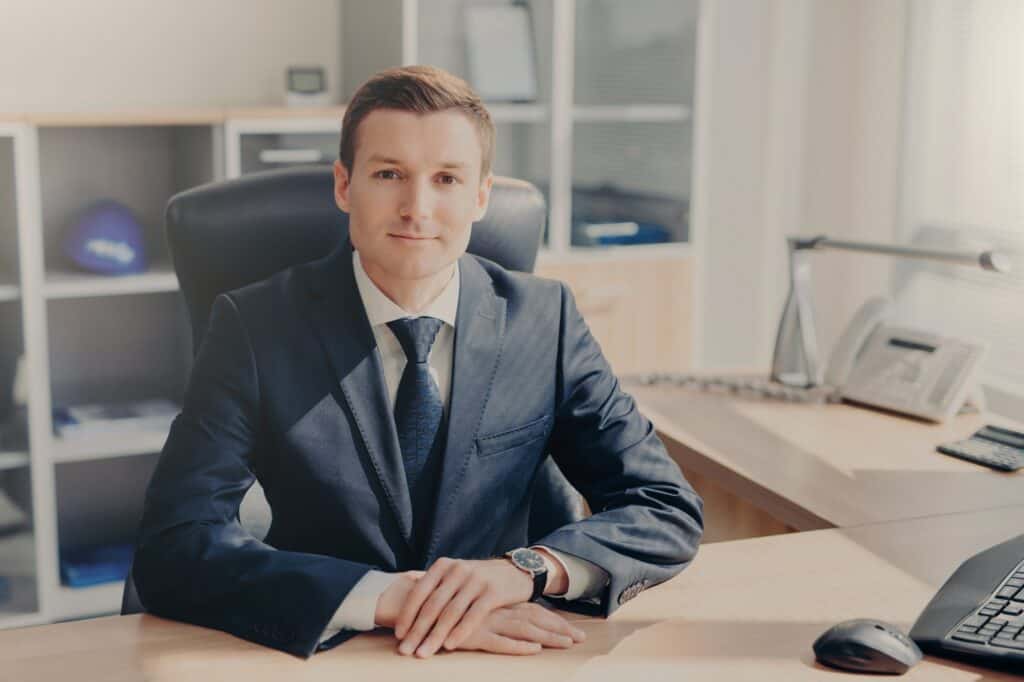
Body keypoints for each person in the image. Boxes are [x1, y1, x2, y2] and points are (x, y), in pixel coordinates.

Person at [133, 65, 704, 659]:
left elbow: (663, 507)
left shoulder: (546, 319)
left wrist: (524, 570)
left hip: (510, 650)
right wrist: (389, 598)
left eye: (447, 179)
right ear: (343, 185)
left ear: (481, 196)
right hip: (338, 650)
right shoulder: (255, 328)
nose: (417, 208)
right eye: (389, 174)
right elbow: (173, 544)